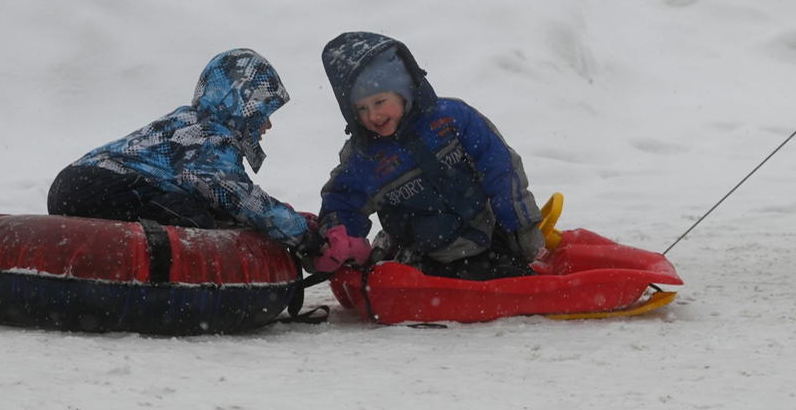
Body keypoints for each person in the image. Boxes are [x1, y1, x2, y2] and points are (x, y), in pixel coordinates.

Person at [47, 48, 322, 256]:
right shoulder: (210, 142)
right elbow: (244, 201)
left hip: (72, 183)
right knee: (194, 219)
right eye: (262, 114)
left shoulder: (189, 123)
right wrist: (306, 238)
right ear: (241, 108)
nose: (268, 124)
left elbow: (217, 195)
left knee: (195, 208)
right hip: (99, 188)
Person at [316, 31, 544, 279]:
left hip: (488, 234)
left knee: (517, 272)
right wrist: (342, 241)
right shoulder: (365, 158)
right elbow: (342, 200)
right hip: (424, 255)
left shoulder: (451, 120)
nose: (373, 116)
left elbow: (501, 170)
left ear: (403, 91)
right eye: (361, 108)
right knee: (496, 275)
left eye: (380, 102)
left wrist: (521, 227)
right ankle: (397, 255)